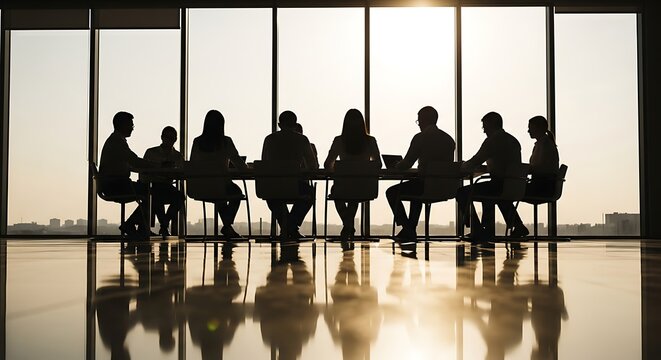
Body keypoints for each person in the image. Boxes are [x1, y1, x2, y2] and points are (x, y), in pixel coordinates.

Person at [386, 106, 455, 239]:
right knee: (415, 188)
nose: (418, 124)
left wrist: (396, 165)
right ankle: (410, 228)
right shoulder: (449, 139)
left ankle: (407, 227)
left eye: (418, 121)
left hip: (425, 186)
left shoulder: (420, 138)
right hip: (445, 187)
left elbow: (407, 164)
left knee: (392, 192)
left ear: (423, 120)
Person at [458, 111, 528, 240]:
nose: (484, 131)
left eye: (484, 126)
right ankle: (517, 225)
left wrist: (461, 166)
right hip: (514, 184)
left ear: (491, 125)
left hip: (498, 184)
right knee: (494, 194)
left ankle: (477, 229)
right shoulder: (513, 141)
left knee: (462, 193)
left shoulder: (492, 141)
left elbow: (475, 160)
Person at [324, 109, 381, 239]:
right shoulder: (370, 141)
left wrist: (339, 171)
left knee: (338, 192)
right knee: (355, 193)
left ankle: (348, 225)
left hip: (343, 187)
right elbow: (378, 164)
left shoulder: (339, 141)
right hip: (366, 187)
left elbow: (328, 164)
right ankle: (348, 225)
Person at [190, 110, 248, 238]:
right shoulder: (226, 142)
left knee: (220, 194)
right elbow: (239, 164)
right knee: (236, 193)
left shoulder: (197, 142)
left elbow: (193, 164)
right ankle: (227, 226)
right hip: (220, 186)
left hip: (200, 187)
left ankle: (228, 227)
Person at [261, 111, 319, 239]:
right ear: (295, 124)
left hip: (272, 187)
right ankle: (292, 226)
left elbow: (264, 163)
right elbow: (313, 166)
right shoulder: (302, 140)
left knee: (273, 198)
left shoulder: (269, 139)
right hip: (295, 186)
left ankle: (287, 227)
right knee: (309, 195)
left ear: (279, 124)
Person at [98, 111, 156, 238]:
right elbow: (134, 160)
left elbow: (128, 163)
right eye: (131, 125)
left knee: (147, 191)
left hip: (112, 183)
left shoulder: (115, 140)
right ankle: (134, 225)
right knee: (151, 193)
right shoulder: (117, 142)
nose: (132, 128)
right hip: (116, 185)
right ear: (123, 125)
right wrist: (156, 165)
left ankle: (141, 228)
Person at [140, 126, 184, 237]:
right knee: (158, 194)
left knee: (180, 197)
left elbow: (181, 173)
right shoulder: (151, 153)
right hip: (153, 185)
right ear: (162, 137)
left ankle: (164, 223)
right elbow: (144, 173)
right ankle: (164, 224)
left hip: (166, 186)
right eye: (168, 137)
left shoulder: (178, 156)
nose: (170, 140)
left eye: (172, 137)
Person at [526, 115, 560, 198]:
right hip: (545, 185)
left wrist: (521, 169)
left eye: (530, 128)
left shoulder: (545, 145)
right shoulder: (545, 144)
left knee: (510, 190)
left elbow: (540, 168)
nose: (528, 131)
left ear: (538, 128)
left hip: (542, 187)